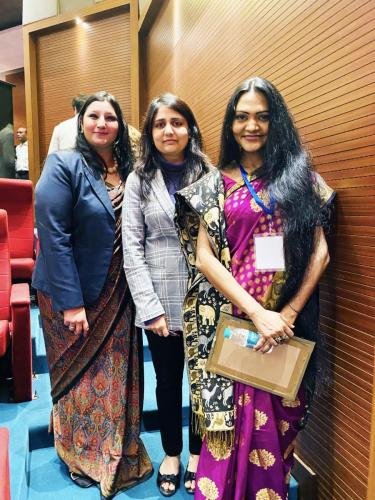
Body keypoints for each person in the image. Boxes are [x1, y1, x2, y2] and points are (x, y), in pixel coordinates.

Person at [175, 77, 335, 500]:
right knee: (224, 434)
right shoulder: (212, 184)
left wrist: (287, 314)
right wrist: (256, 313)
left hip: (284, 332)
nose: (252, 126)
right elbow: (205, 258)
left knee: (276, 438)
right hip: (233, 328)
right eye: (242, 116)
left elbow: (320, 254)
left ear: (276, 121)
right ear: (230, 124)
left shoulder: (300, 178)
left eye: (262, 116)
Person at [32, 91, 153, 499]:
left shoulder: (134, 169)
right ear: (81, 122)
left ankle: (116, 447)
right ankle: (78, 453)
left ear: (121, 126)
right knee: (79, 378)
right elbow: (54, 236)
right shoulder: (64, 165)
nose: (102, 123)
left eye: (111, 117)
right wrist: (72, 303)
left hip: (120, 291)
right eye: (94, 116)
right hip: (73, 293)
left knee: (116, 375)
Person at [122, 93, 211, 497]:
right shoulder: (138, 179)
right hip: (159, 299)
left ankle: (198, 453)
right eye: (159, 124)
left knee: (205, 380)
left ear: (189, 128)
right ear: (150, 132)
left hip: (208, 296)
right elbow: (132, 248)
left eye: (176, 122)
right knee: (168, 379)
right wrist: (150, 307)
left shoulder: (210, 173)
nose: (168, 130)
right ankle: (172, 453)